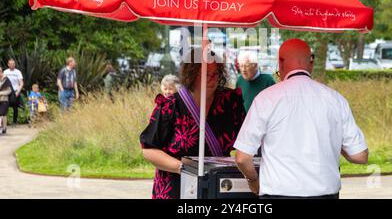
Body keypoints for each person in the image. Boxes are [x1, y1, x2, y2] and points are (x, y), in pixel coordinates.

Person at [234, 38, 369, 199]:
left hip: (278, 194)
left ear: (281, 63)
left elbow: (242, 158)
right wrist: (333, 141)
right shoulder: (336, 99)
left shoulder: (266, 99)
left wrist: (253, 180)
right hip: (325, 194)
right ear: (310, 63)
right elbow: (360, 156)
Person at [140, 48, 246, 199]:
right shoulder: (171, 106)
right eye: (206, 74)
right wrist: (186, 169)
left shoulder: (230, 102)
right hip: (176, 187)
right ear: (191, 75)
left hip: (217, 187)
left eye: (215, 74)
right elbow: (149, 149)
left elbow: (247, 139)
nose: (212, 79)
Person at [4, 59, 24, 124]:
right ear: (8, 64)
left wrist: (18, 91)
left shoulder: (18, 72)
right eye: (11, 64)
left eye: (13, 64)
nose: (12, 65)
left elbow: (21, 83)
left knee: (15, 107)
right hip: (7, 91)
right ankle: (4, 122)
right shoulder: (5, 72)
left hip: (15, 91)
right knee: (5, 106)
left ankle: (14, 121)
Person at [0, 67, 13, 134]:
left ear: (1, 72)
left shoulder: (6, 79)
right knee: (3, 114)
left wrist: (1, 93)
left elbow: (9, 91)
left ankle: (3, 128)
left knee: (2, 113)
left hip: (4, 99)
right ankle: (4, 128)